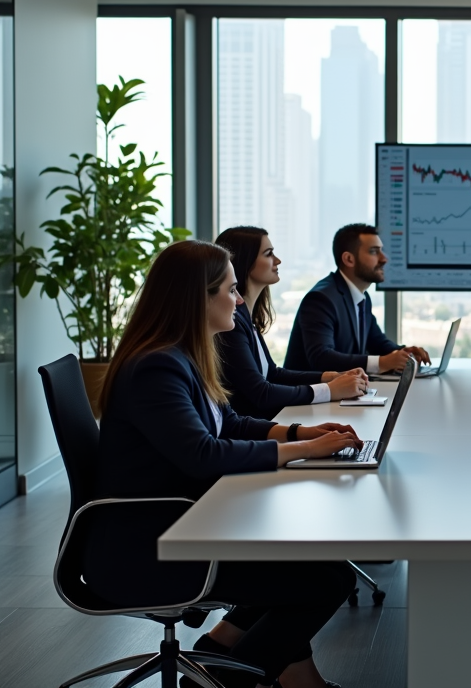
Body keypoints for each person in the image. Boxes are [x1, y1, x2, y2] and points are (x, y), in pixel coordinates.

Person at [86, 240, 361, 688]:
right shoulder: (157, 367)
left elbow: (227, 421)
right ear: (198, 297)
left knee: (322, 565)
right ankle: (221, 680)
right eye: (230, 291)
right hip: (152, 544)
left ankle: (221, 653)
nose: (238, 300)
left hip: (186, 523)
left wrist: (298, 433)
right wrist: (306, 452)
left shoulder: (182, 354)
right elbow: (203, 454)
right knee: (326, 582)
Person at [215, 226, 369, 420]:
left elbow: (273, 374)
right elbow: (261, 392)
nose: (277, 260)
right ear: (246, 261)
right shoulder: (232, 324)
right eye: (269, 254)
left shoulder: (245, 316)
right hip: (254, 431)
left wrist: (330, 377)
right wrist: (328, 390)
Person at [284, 223, 430, 374]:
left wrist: (406, 353)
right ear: (349, 259)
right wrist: (382, 362)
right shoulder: (321, 299)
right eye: (374, 252)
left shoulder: (361, 297)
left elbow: (377, 342)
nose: (384, 259)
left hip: (342, 393)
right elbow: (321, 358)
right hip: (312, 396)